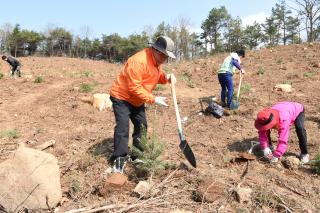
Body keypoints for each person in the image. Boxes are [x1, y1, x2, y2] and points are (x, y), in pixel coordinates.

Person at [109, 35, 176, 173]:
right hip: (122, 97)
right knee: (123, 126)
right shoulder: (138, 61)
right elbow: (134, 87)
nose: (166, 59)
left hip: (137, 99)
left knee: (142, 125)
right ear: (156, 50)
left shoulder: (156, 62)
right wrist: (153, 99)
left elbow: (157, 76)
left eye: (167, 56)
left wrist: (167, 77)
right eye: (164, 55)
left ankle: (137, 155)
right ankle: (119, 159)